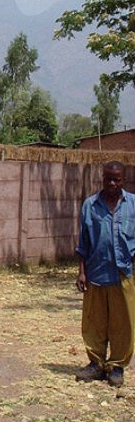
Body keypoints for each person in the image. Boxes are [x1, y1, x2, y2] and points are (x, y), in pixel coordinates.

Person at [75, 160, 135, 387]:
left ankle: (117, 367)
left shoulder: (133, 205)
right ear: (102, 179)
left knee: (123, 323)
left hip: (123, 274)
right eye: (108, 178)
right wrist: (81, 272)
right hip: (95, 273)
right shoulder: (90, 205)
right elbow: (83, 244)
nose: (112, 183)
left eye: (116, 179)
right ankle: (96, 364)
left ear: (124, 180)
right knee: (94, 323)